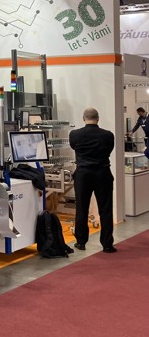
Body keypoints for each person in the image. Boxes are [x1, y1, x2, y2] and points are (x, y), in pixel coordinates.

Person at [68, 107, 116, 253]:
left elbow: (74, 147)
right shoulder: (108, 135)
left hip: (83, 173)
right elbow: (109, 150)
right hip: (103, 172)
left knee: (82, 208)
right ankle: (107, 244)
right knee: (105, 209)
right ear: (98, 118)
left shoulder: (75, 134)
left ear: (84, 119)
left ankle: (81, 242)